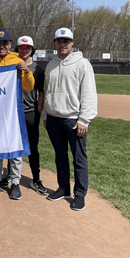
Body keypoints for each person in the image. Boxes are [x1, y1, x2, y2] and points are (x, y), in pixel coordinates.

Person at [42, 27, 97, 211]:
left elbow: (89, 94)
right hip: (54, 118)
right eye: (59, 41)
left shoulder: (82, 64)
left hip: (73, 120)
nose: (62, 44)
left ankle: (79, 194)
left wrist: (84, 120)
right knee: (60, 156)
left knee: (79, 159)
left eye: (66, 41)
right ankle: (63, 188)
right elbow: (47, 91)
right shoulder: (51, 65)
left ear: (72, 43)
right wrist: (45, 115)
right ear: (55, 43)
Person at [0, 28, 35, 200]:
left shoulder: (18, 61)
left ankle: (15, 182)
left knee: (14, 149)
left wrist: (26, 71)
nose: (1, 46)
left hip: (13, 112)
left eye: (5, 43)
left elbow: (29, 87)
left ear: (10, 44)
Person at [16, 36, 49, 195]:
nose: (24, 50)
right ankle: (12, 178)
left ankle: (36, 179)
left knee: (32, 148)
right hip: (13, 112)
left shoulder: (37, 69)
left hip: (30, 112)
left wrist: (39, 110)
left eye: (27, 48)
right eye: (21, 48)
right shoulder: (12, 65)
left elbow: (41, 93)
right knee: (13, 147)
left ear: (32, 50)